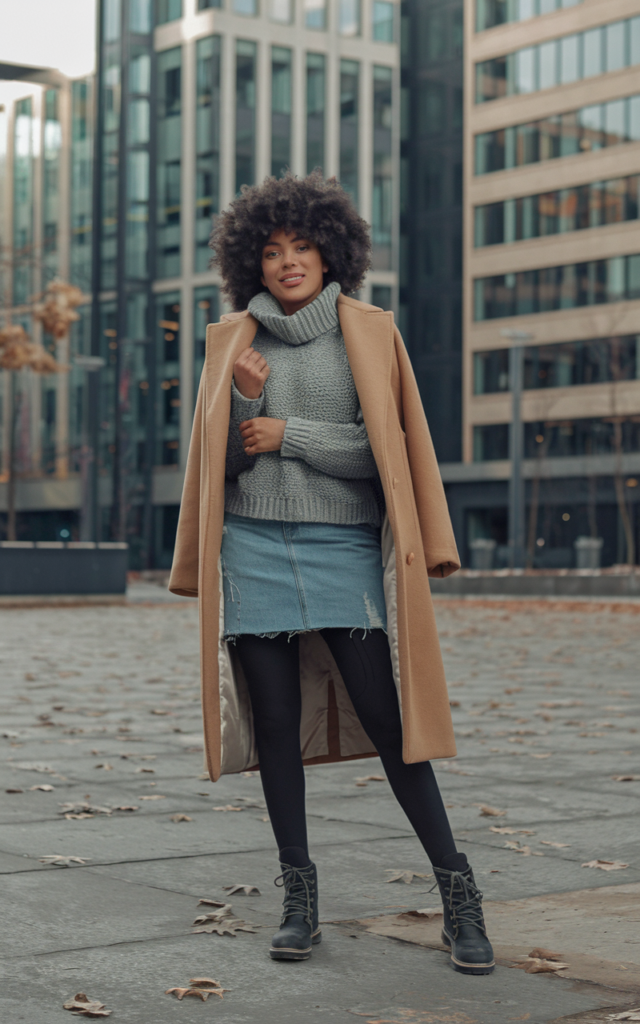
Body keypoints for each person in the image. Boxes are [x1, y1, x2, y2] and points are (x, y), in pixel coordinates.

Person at [169, 172, 495, 975]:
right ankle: (298, 897)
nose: (287, 262)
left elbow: (383, 456)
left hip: (340, 547)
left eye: (302, 247)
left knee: (392, 726)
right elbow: (224, 470)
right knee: (276, 727)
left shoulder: (369, 333)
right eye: (272, 250)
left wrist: (290, 432)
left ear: (330, 251)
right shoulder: (232, 340)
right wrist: (247, 409)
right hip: (252, 549)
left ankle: (459, 892)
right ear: (252, 260)